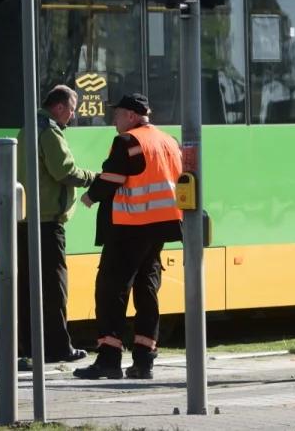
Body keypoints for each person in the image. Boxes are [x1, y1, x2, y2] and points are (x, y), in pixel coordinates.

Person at [73, 93, 183, 380]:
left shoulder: (128, 142)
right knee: (147, 290)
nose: (114, 119)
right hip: (159, 226)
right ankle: (144, 360)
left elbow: (113, 177)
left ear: (132, 116)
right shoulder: (169, 140)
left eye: (118, 114)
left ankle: (109, 359)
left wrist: (90, 196)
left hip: (130, 224)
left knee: (111, 289)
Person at [17, 85, 96, 367]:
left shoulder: (27, 127)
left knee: (27, 289)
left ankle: (29, 348)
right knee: (54, 289)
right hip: (47, 222)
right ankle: (60, 347)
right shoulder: (49, 130)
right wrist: (93, 178)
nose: (72, 117)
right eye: (72, 110)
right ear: (60, 107)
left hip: (26, 221)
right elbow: (64, 171)